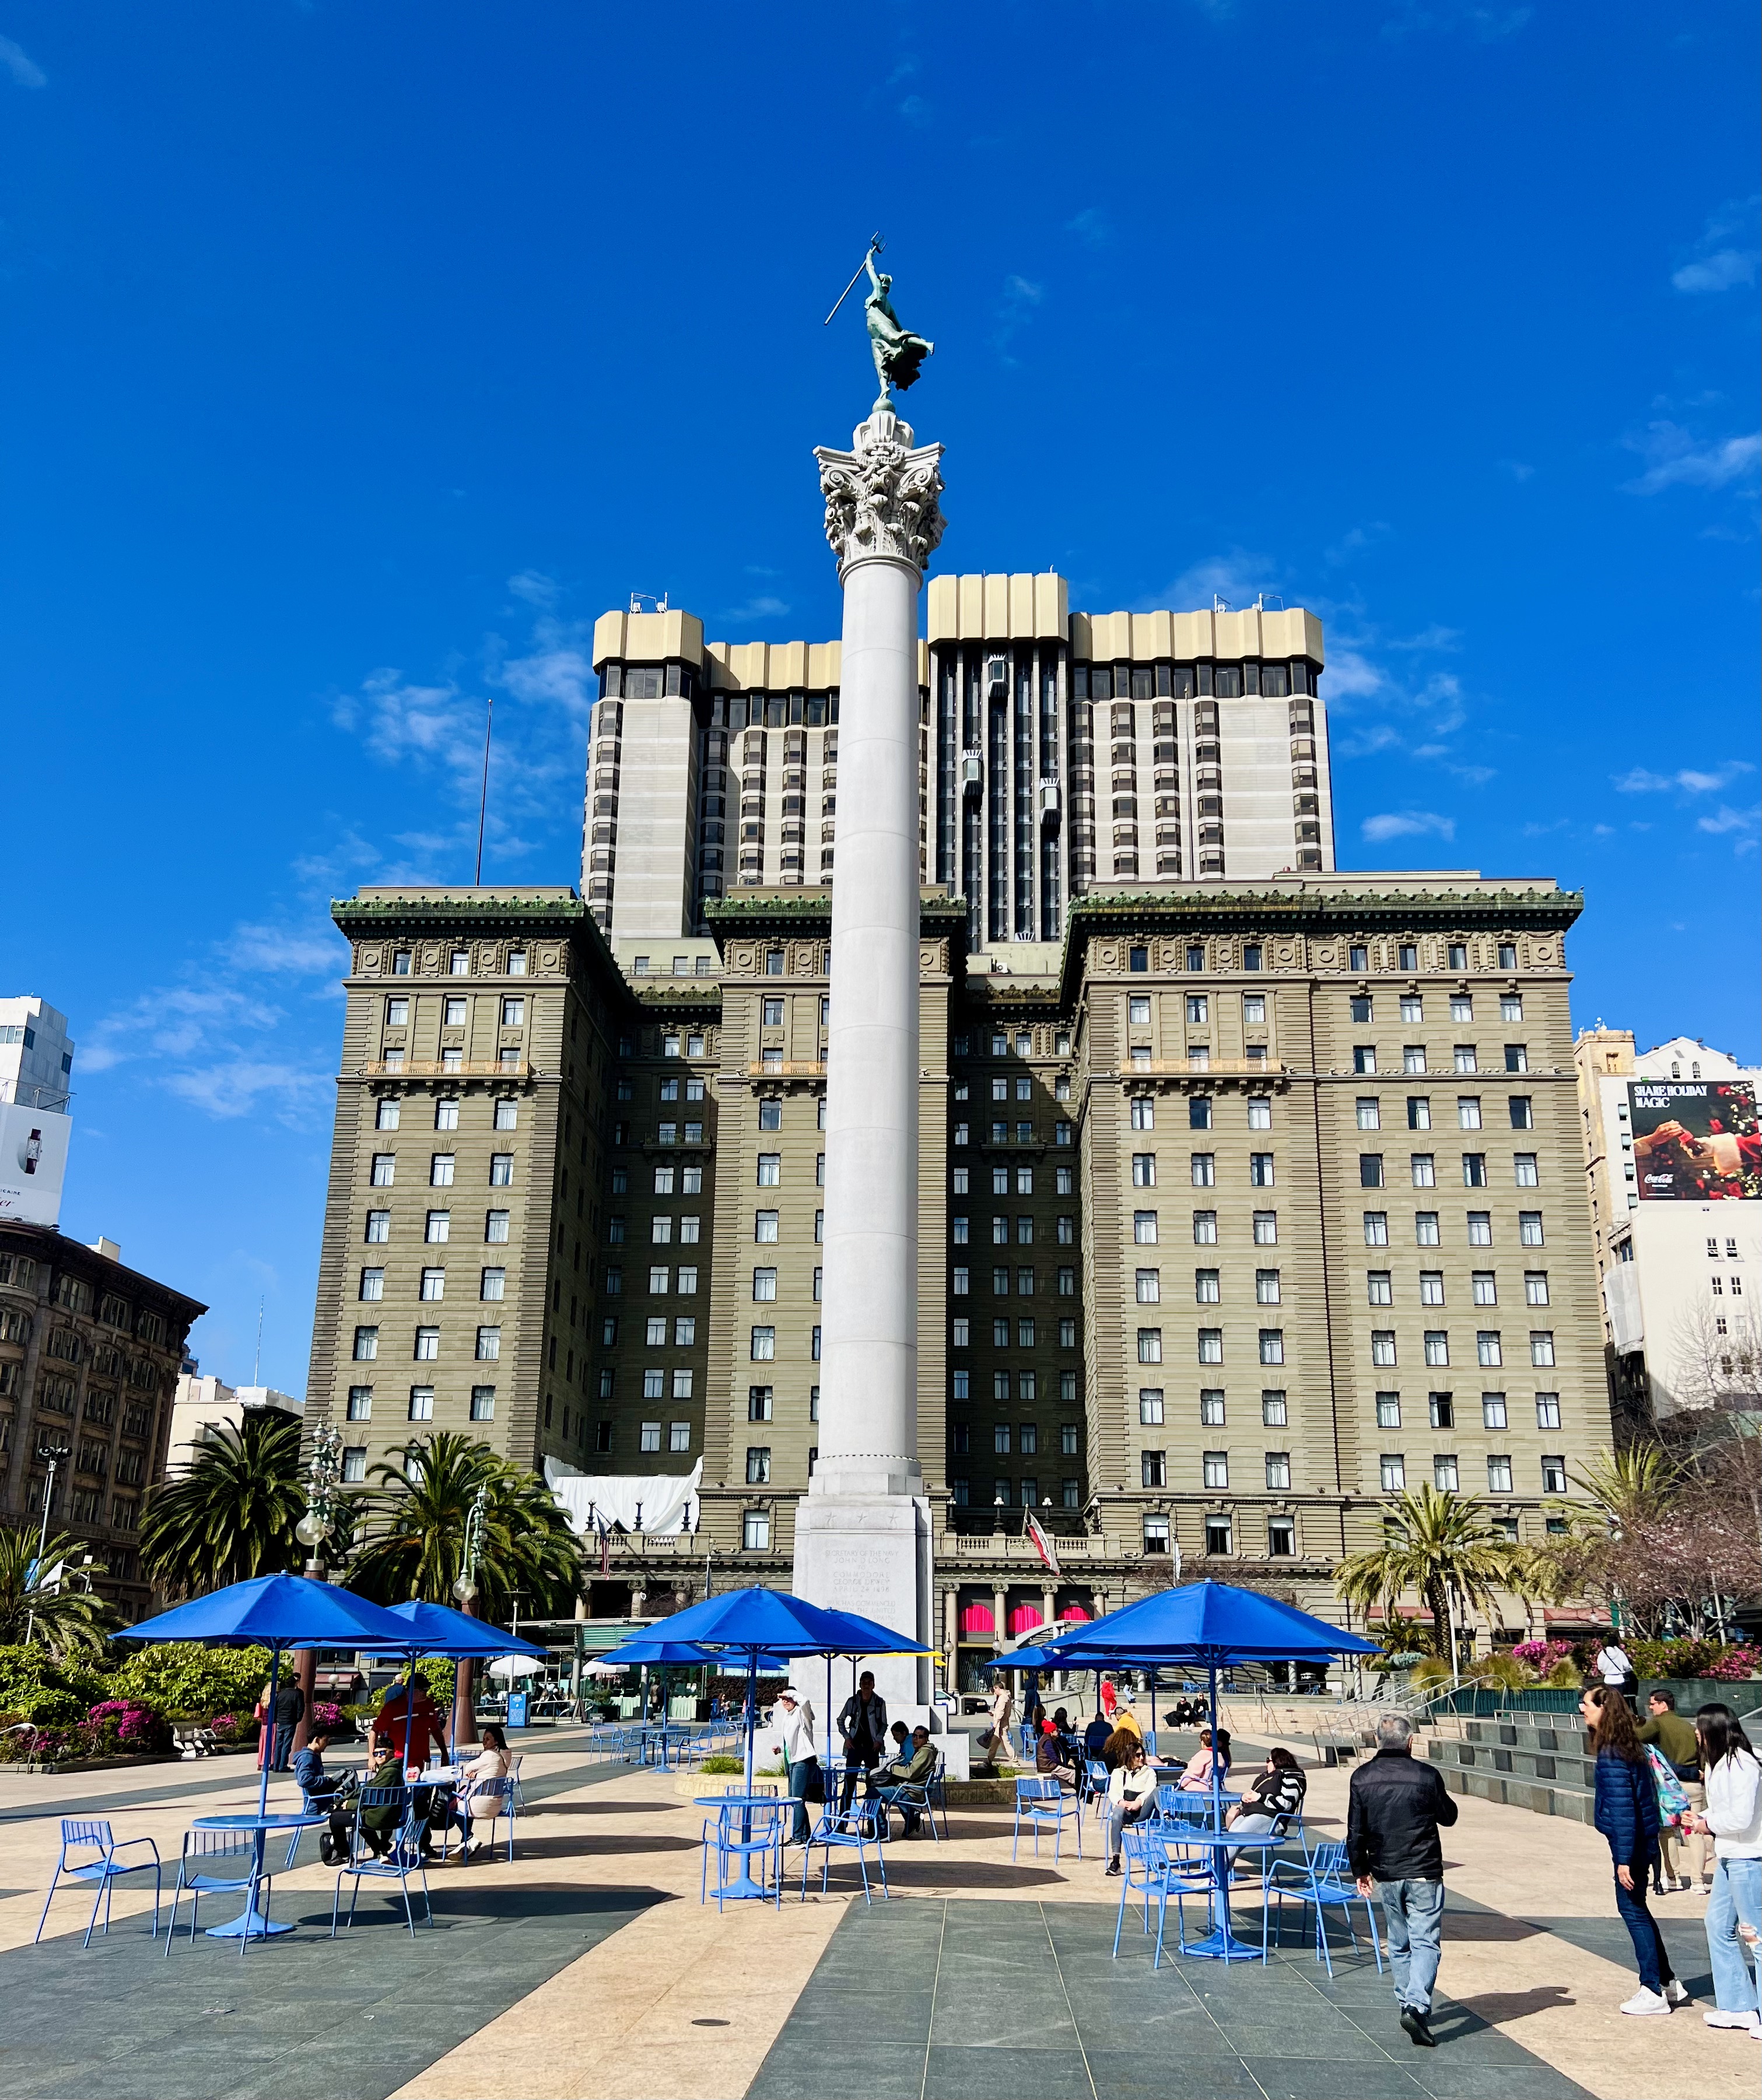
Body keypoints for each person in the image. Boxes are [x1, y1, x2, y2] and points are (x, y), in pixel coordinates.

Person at [1347, 1712, 1460, 2049]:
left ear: (1378, 1742)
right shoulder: (1426, 1775)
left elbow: (1356, 1831)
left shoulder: (1362, 1776)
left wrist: (1360, 1870)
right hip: (1424, 1869)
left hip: (1387, 1870)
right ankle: (1416, 2004)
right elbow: (1449, 1815)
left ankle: (1407, 2002)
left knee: (1399, 1942)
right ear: (1410, 1741)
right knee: (1425, 1940)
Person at [1581, 1684, 1687, 2018]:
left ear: (1603, 1710)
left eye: (1586, 1705)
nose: (1582, 1710)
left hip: (1632, 1845)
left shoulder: (1613, 1753)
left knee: (1633, 1911)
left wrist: (1623, 1859)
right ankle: (1667, 1982)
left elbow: (1625, 1809)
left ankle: (1652, 1989)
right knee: (1639, 1908)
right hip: (1643, 1841)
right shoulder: (1630, 1747)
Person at [1681, 1703, 1762, 2037]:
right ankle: (1739, 2007)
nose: (1696, 1735)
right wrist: (1702, 1820)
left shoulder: (1742, 1763)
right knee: (1717, 1924)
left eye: (1699, 1728)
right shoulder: (1719, 1764)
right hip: (1732, 1856)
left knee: (1756, 1936)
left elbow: (1741, 1818)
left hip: (1749, 1858)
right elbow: (1725, 1810)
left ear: (1713, 1729)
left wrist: (1706, 1824)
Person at [1638, 1688, 1707, 1894]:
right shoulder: (1688, 1726)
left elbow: (1637, 1737)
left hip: (1670, 1787)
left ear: (1663, 1705)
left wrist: (1635, 1722)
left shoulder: (1658, 1723)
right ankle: (1698, 1881)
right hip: (1694, 1784)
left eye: (1653, 1704)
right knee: (1694, 1832)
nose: (1650, 1708)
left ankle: (1673, 1877)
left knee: (1667, 1832)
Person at [1225, 1747, 1307, 1870]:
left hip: (1273, 1820)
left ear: (1276, 1762)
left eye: (1268, 1760)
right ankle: (1218, 1876)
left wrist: (1261, 1797)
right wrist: (1245, 1798)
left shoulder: (1291, 1779)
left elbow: (1287, 1803)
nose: (1266, 1763)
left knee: (1235, 1840)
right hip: (1252, 1814)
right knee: (1230, 1839)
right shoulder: (1268, 1777)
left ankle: (1211, 1873)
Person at [454, 1723, 513, 1860]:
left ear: (496, 1741)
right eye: (484, 1738)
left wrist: (475, 1773)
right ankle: (466, 1844)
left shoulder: (489, 1756)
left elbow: (468, 1768)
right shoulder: (505, 1757)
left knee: (453, 1806)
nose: (484, 1741)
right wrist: (478, 1774)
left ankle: (469, 1838)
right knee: (465, 1808)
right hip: (496, 1805)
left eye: (488, 1739)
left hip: (479, 1805)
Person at [1104, 1738, 1159, 1875]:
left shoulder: (1149, 1772)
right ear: (1130, 1756)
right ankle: (1116, 1861)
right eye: (1138, 1755)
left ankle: (1167, 1815)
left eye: (1143, 1755)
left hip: (1142, 1810)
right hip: (1125, 1808)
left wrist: (1139, 1801)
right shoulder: (1118, 1773)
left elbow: (1150, 1790)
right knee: (1116, 1814)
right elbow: (1113, 1792)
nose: (1141, 1758)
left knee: (1158, 1790)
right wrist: (1121, 1802)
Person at [870, 1724, 937, 1836]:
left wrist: (892, 1768)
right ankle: (912, 1817)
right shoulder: (921, 1751)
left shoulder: (925, 1753)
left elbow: (910, 1773)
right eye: (915, 1736)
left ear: (926, 1739)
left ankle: (881, 1832)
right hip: (911, 1788)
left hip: (912, 1791)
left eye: (920, 1737)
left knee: (873, 1793)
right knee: (884, 1788)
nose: (916, 1739)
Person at [837, 1671, 888, 1811]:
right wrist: (847, 1737)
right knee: (849, 1784)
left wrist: (879, 1739)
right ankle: (842, 1823)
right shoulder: (852, 1701)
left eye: (869, 1682)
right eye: (864, 1682)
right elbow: (840, 1719)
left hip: (872, 1748)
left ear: (874, 1685)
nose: (866, 1685)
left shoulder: (879, 1703)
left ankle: (874, 1825)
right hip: (854, 1747)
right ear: (860, 1684)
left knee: (872, 1785)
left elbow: (884, 1724)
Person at [775, 1688, 819, 1847]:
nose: (785, 1701)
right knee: (795, 1800)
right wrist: (780, 1748)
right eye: (783, 1699)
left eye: (788, 1698)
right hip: (793, 1762)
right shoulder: (788, 1717)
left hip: (804, 1761)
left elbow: (805, 1701)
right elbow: (791, 1740)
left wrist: (790, 1693)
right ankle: (805, 1837)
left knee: (797, 1800)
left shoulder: (802, 1713)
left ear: (795, 1698)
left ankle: (799, 1838)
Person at [372, 1679, 449, 1770]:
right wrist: (371, 1757)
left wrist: (444, 1753)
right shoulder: (392, 1707)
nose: (426, 1692)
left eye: (427, 1689)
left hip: (421, 1760)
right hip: (398, 1761)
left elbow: (436, 1730)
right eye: (423, 1689)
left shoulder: (429, 1705)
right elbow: (374, 1731)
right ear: (411, 1690)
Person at [292, 1727, 345, 1810]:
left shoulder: (311, 1756)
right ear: (317, 1740)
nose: (327, 1743)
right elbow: (304, 1780)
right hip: (317, 1803)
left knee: (348, 1773)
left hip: (319, 1799)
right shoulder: (307, 1757)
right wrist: (326, 1780)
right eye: (326, 1740)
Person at [976, 1680, 1013, 1776]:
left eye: (994, 1690)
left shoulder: (1002, 1698)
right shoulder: (1005, 1697)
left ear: (998, 1688)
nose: (994, 1692)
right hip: (1001, 1724)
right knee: (994, 1744)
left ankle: (1016, 1762)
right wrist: (993, 1714)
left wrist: (996, 1723)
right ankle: (989, 1761)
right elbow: (1001, 1712)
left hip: (1001, 1725)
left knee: (1006, 1745)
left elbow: (1001, 1712)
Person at [1178, 1726, 1230, 1793]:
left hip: (1201, 1786)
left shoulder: (1204, 1754)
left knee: (1173, 1790)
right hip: (1214, 1786)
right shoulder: (1220, 1756)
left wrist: (1179, 1784)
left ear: (1203, 1742)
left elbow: (1194, 1773)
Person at [1595, 1638, 1639, 1709]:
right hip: (1619, 1679)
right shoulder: (1620, 1653)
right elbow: (1627, 1666)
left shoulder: (1603, 1653)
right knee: (1619, 1700)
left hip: (1608, 1679)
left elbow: (1600, 1667)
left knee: (1609, 1700)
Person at [1035, 1717, 1077, 1792]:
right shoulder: (1047, 1741)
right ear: (1051, 1732)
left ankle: (1080, 1788)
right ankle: (1084, 1788)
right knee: (1071, 1773)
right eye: (1056, 1730)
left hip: (1047, 1765)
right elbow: (1054, 1758)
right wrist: (1062, 1765)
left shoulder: (1047, 1738)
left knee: (1069, 1772)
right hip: (1048, 1766)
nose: (1058, 1731)